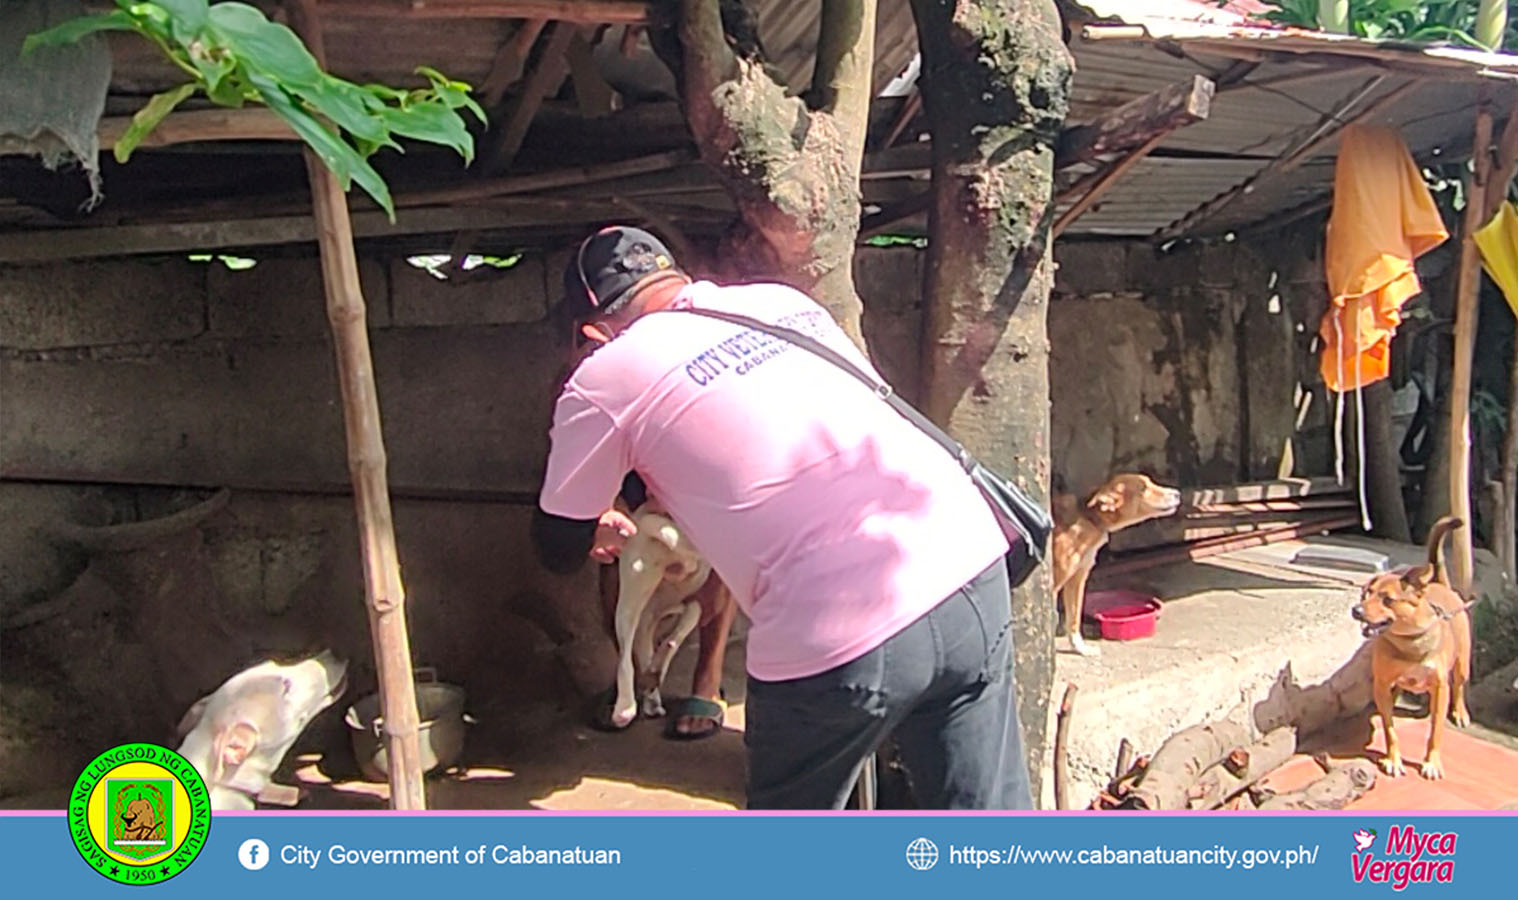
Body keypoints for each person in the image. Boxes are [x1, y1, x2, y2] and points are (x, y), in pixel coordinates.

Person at [532, 224, 1031, 810]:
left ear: (594, 329)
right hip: (969, 559)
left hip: (838, 620)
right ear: (674, 274)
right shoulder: (779, 302)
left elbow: (558, 544)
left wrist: (594, 522)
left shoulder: (604, 375)